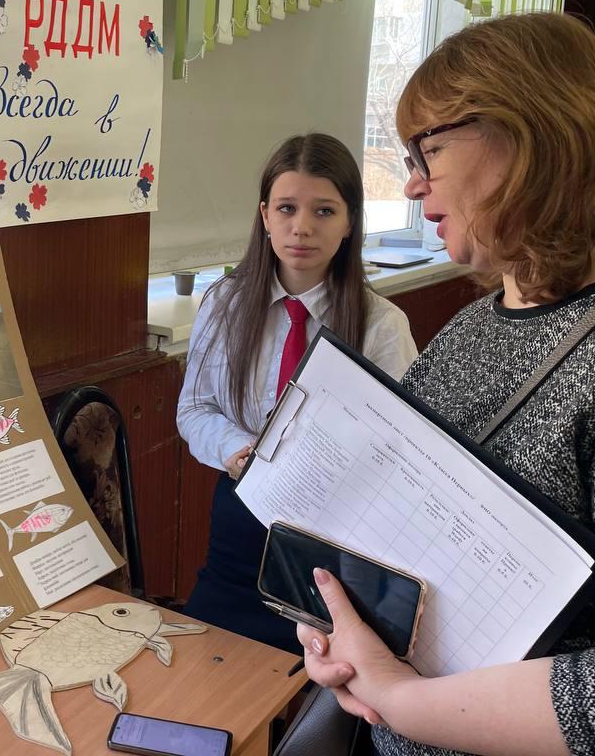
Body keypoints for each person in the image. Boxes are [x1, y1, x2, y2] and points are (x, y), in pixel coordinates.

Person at [297, 12, 595, 755]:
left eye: (430, 149)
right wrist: (341, 627)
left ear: (534, 133)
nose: (413, 182)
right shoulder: (475, 325)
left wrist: (403, 701)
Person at [178, 133, 418, 652]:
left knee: (313, 678)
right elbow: (194, 408)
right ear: (265, 215)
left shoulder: (382, 325)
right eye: (286, 208)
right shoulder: (223, 303)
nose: (302, 227)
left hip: (333, 539)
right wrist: (236, 450)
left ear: (350, 222)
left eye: (324, 211)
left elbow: (399, 451)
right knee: (210, 661)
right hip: (240, 525)